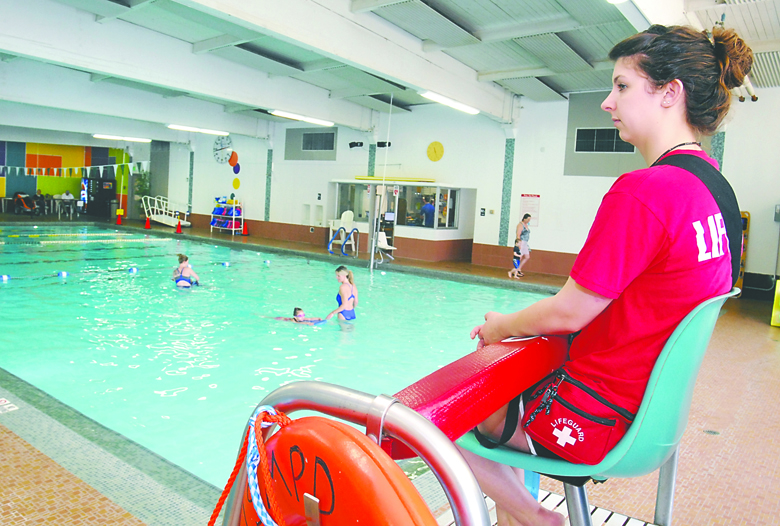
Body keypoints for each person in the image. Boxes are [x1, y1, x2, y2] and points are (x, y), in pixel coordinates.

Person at [464, 25, 752, 526]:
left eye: (621, 86)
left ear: (669, 93)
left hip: (597, 417)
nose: (607, 102)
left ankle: (537, 517)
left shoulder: (646, 190)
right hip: (654, 417)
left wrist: (499, 325)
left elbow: (570, 310)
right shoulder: (718, 193)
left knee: (450, 415)